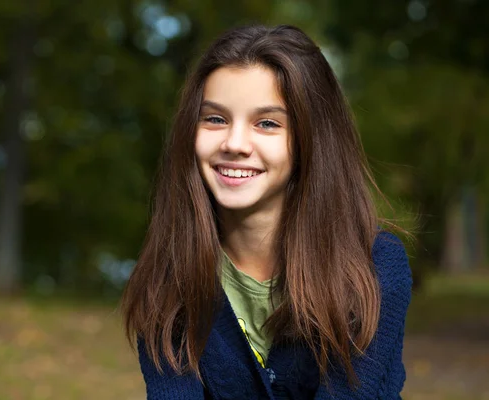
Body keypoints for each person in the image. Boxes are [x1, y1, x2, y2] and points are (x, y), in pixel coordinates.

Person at [121, 24, 412, 400]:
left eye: (267, 123)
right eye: (215, 118)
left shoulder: (374, 270)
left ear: (311, 140)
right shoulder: (168, 278)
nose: (235, 143)